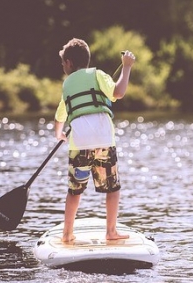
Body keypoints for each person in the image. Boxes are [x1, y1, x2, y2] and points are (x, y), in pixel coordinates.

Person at [54, 38, 135, 242]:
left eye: (63, 62)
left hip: (79, 144)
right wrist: (126, 68)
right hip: (103, 141)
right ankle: (111, 232)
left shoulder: (67, 84)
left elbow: (60, 115)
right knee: (112, 188)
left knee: (74, 191)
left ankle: (67, 234)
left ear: (70, 63)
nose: (63, 66)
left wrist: (59, 133)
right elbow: (119, 92)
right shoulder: (98, 75)